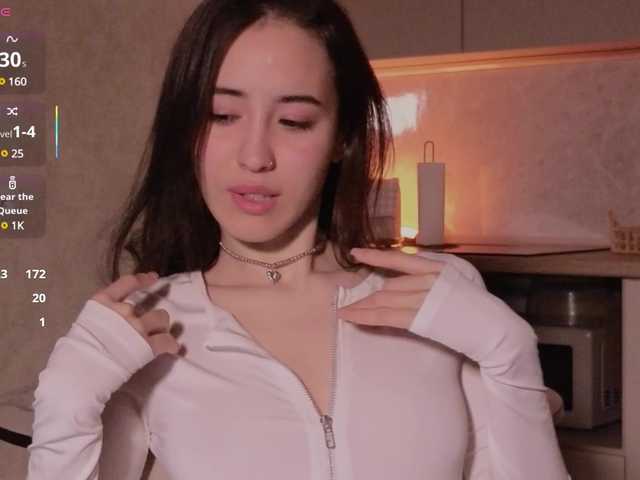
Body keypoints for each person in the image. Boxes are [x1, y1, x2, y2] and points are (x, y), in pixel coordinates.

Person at [26, 0, 571, 479]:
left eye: (293, 121)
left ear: (342, 137)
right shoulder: (152, 324)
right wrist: (63, 405)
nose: (254, 156)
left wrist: (511, 357)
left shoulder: (436, 294)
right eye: (222, 115)